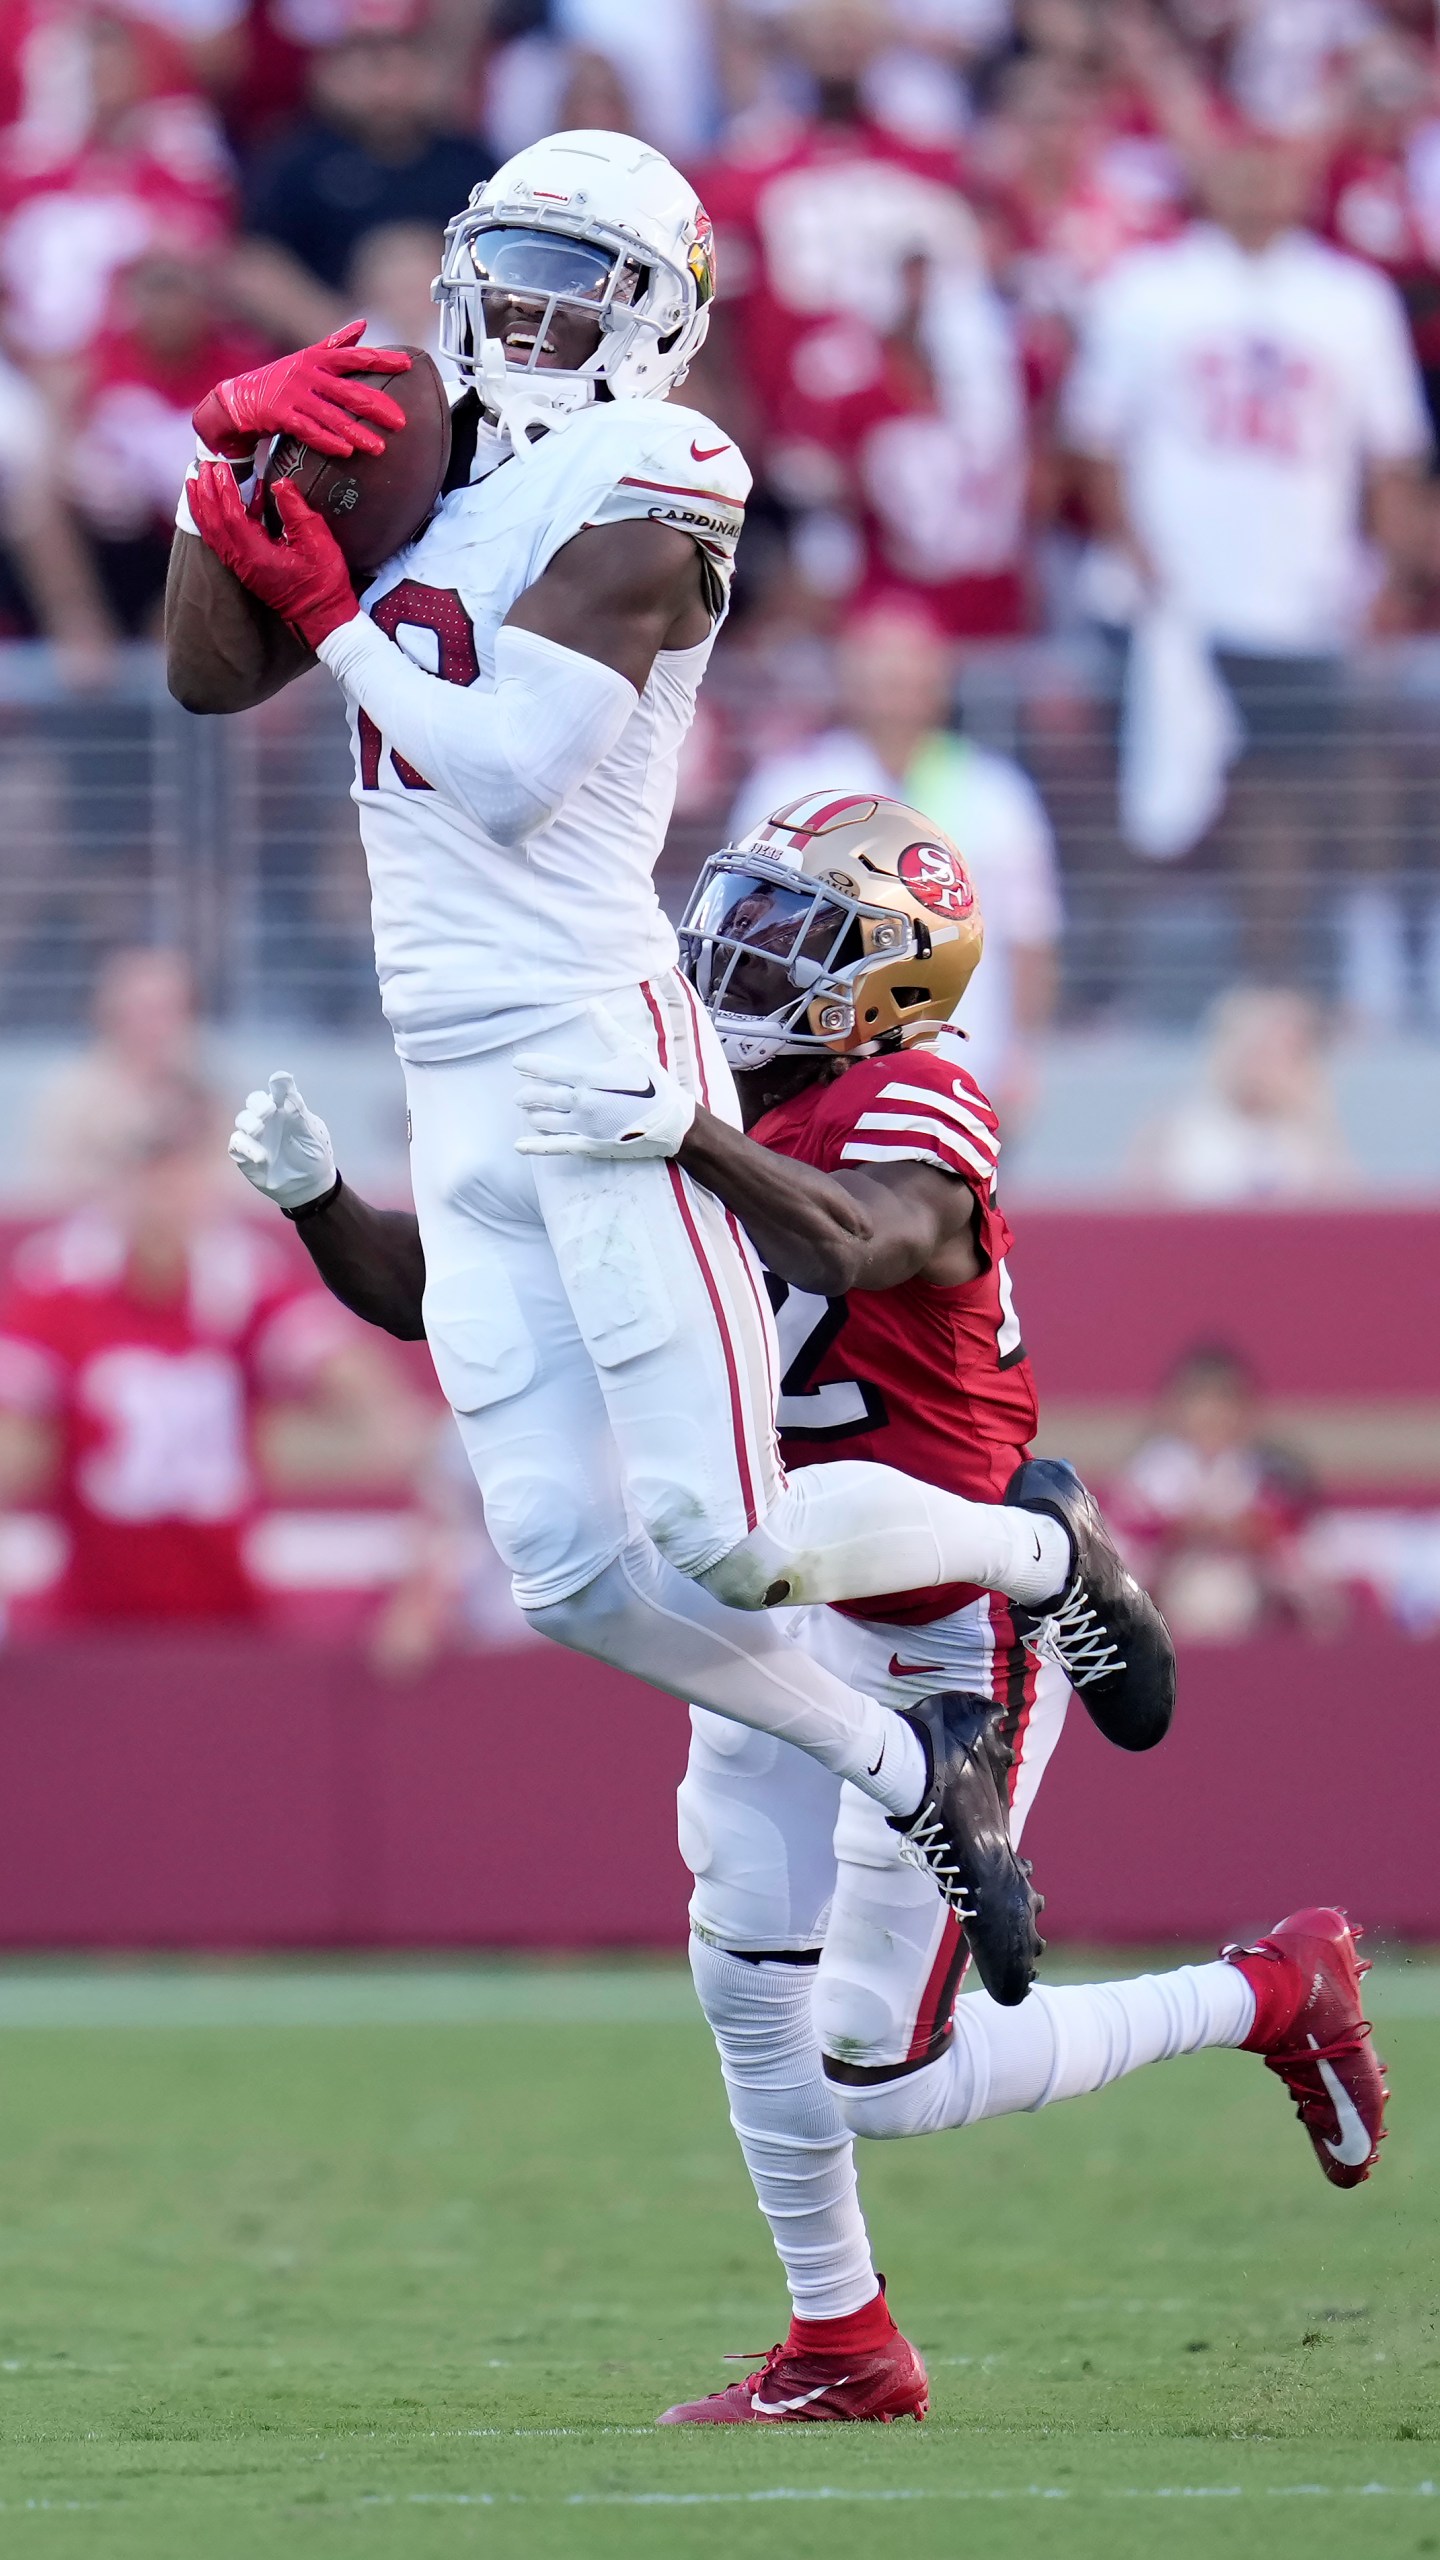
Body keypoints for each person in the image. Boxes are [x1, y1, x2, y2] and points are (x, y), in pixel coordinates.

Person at [226, 801, 1386, 2428]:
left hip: (938, 1596)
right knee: (741, 1968)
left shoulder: (912, 1088)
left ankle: (1271, 1977)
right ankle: (839, 2340)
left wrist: (683, 1137)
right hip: (778, 1606)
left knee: (882, 2071)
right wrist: (316, 1203)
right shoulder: (689, 1074)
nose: (747, 953)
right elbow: (451, 1295)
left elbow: (866, 1236)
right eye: (747, 910)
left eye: (800, 932)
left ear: (893, 986)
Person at [169, 129, 1169, 1959]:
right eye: (514, 260)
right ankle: (900, 1762)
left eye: (580, 273)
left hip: (594, 1035)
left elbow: (510, 770)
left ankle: (1043, 1546)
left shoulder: (667, 462)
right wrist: (216, 462)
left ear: (659, 320)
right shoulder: (443, 466)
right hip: (447, 1061)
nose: (532, 306)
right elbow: (204, 675)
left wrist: (330, 610)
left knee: (724, 1538)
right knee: (562, 1573)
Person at [1064, 128, 1434, 970]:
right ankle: (1113, 986)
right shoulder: (1144, 288)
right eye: (1241, 166)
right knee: (1125, 803)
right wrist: (1137, 549)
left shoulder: (1352, 297)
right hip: (1162, 601)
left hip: (1300, 600)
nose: (1258, 185)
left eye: (1275, 167)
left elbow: (1392, 455)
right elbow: (1095, 442)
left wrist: (1386, 576)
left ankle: (1279, 982)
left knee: (1288, 803)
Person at [0, 1085, 424, 1623]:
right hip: (95, 1607)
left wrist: (289, 1445)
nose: (165, 1192)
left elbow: (358, 1384)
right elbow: (12, 1429)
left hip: (228, 1603)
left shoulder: (241, 1275)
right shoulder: (60, 1279)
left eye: (179, 1170)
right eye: (150, 1169)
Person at [729, 603, 1062, 1116]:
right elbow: (744, 926)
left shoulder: (995, 793)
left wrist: (1022, 1056)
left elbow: (1028, 937)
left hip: (963, 1067)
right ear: (847, 677)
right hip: (813, 1071)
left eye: (910, 671)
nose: (896, 688)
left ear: (941, 679)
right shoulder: (792, 786)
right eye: (881, 671)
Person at [229, 23, 493, 352]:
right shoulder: (297, 161)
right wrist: (342, 335)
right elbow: (254, 264)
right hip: (333, 342)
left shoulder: (471, 162)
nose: (390, 89)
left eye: (406, 71)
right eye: (376, 70)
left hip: (457, 344)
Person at [1111, 1341, 1332, 1643]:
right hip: (1166, 1624)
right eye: (1200, 1402)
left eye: (1224, 1402)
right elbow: (1122, 1553)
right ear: (1175, 1409)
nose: (1212, 1416)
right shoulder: (1150, 1473)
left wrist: (1251, 1533)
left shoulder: (1269, 1471)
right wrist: (1179, 1532)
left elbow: (1299, 1546)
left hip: (1254, 1619)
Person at [1131, 983, 1355, 1203]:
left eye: (1291, 1054)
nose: (1272, 1066)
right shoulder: (1175, 1131)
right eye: (1264, 1051)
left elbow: (1342, 1215)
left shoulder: (1312, 1142)